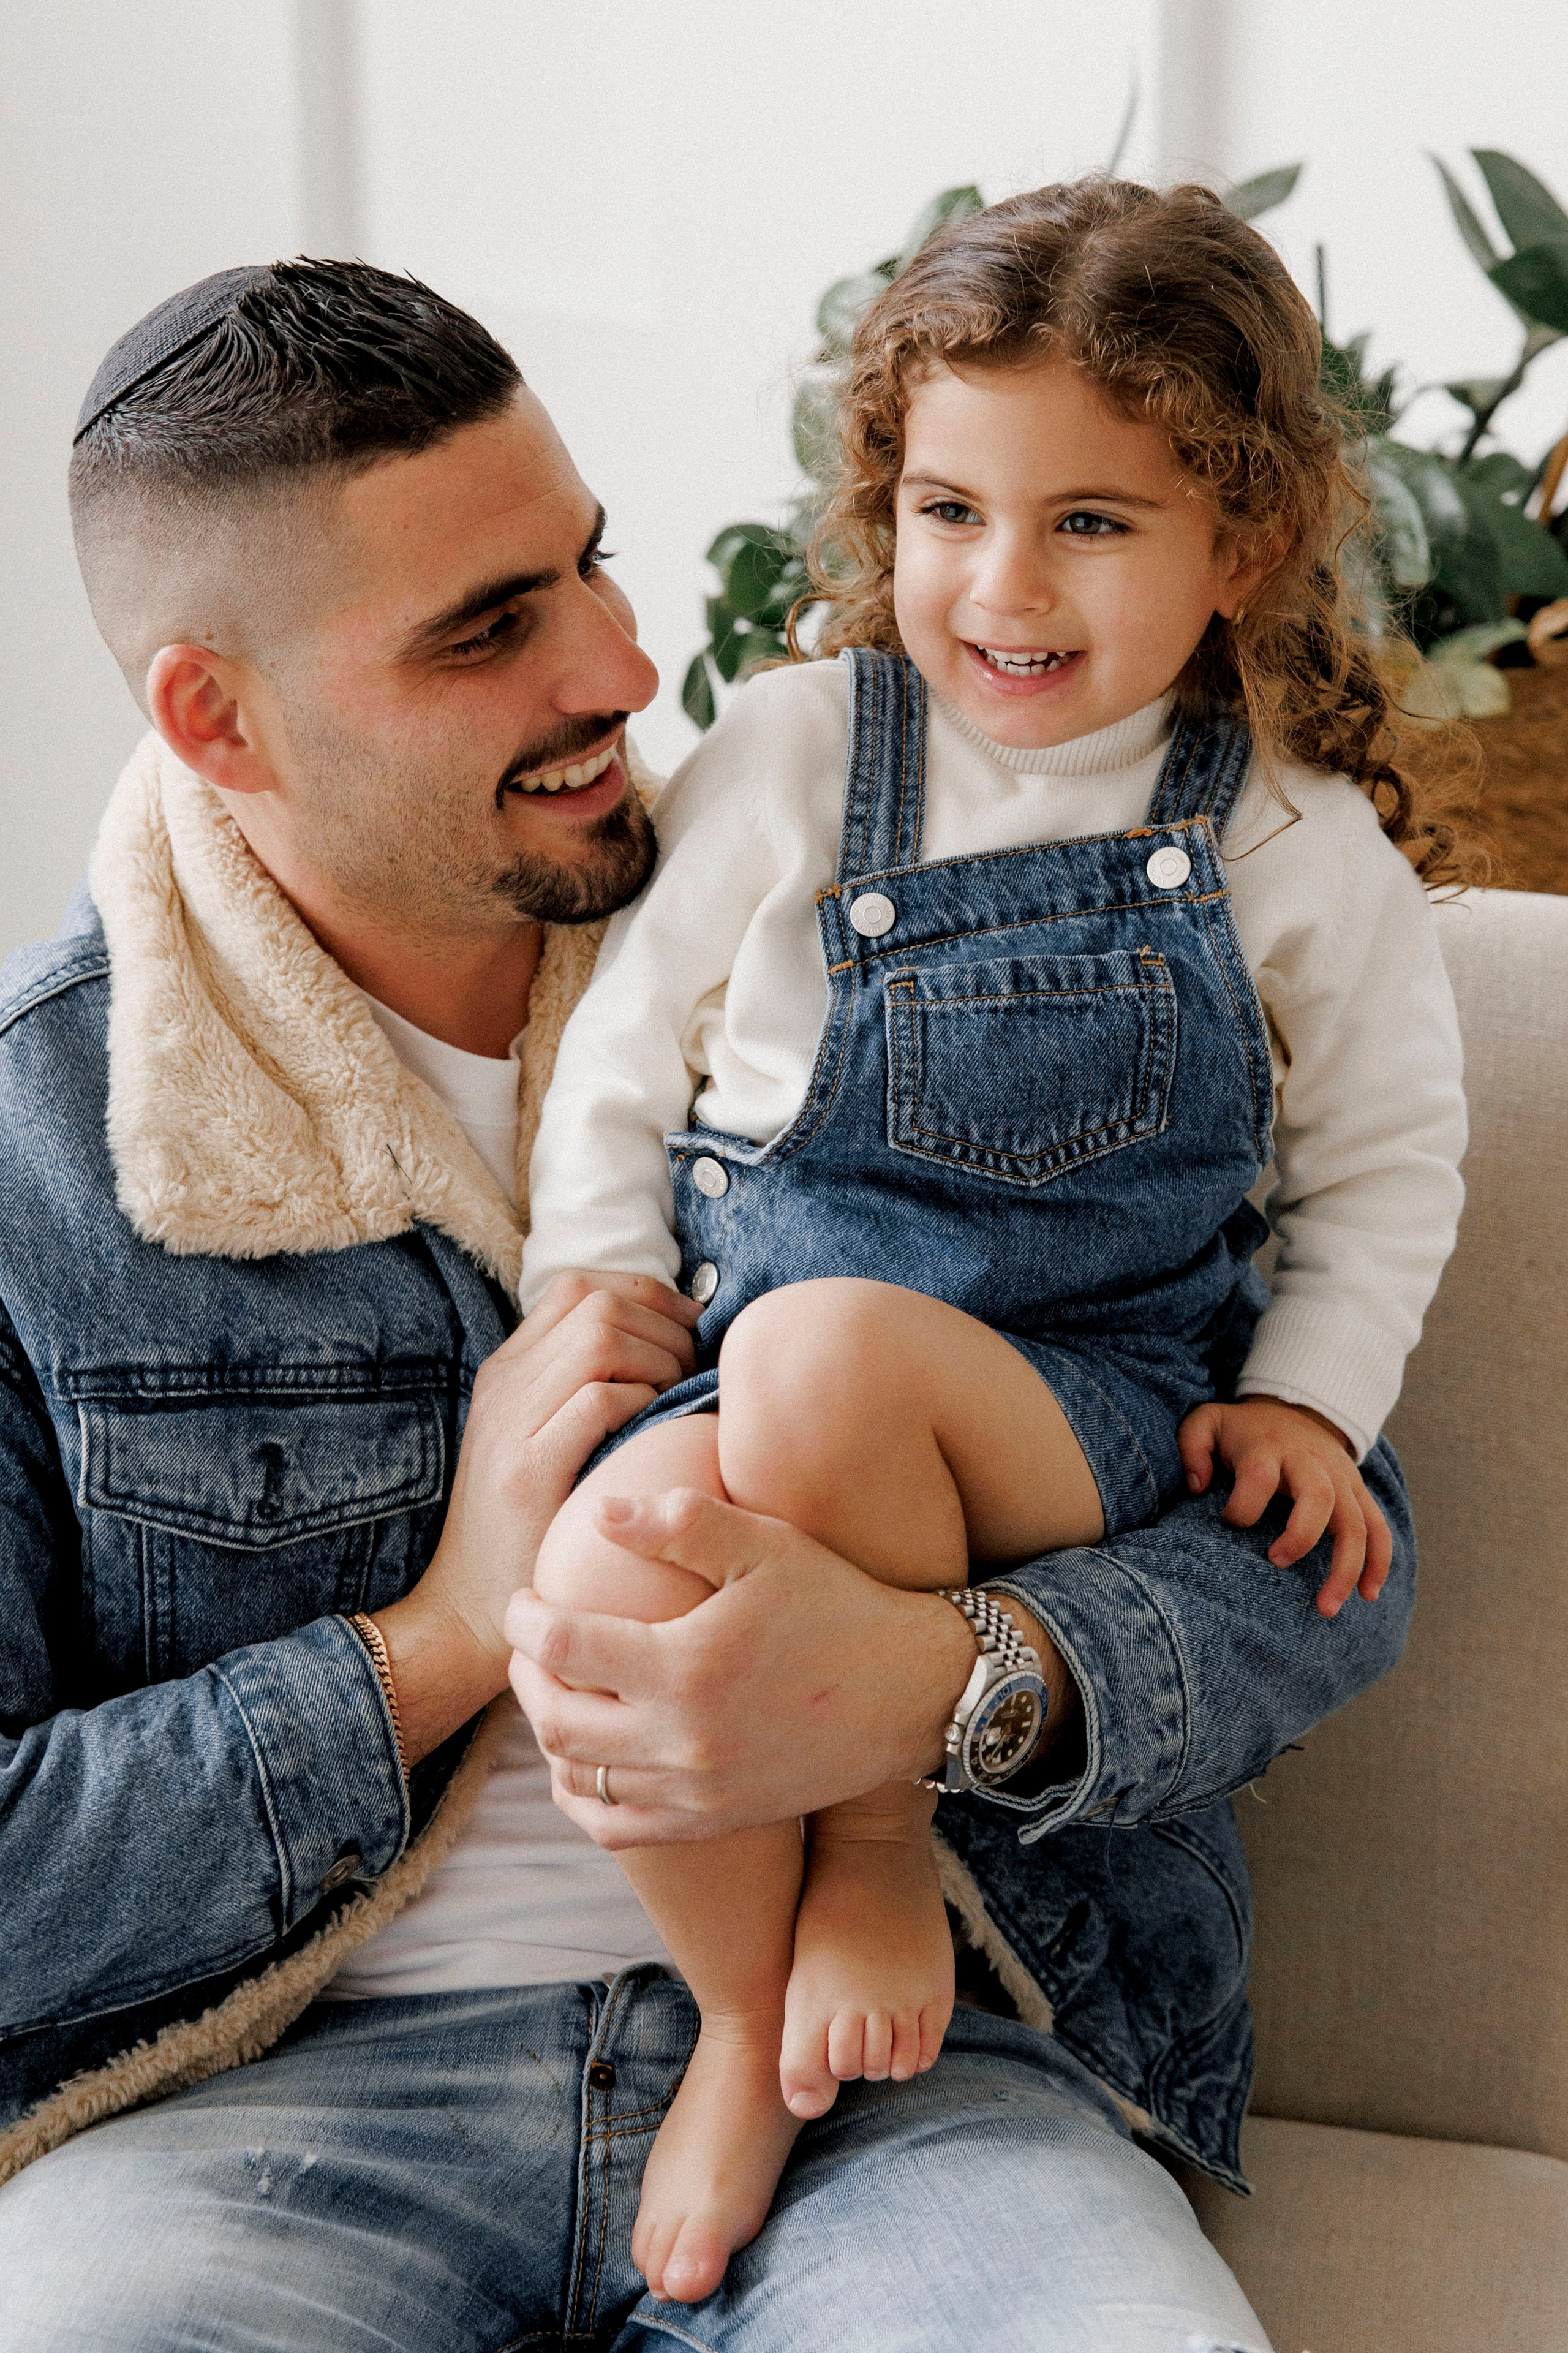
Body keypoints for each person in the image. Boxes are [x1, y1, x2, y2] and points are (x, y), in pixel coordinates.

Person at [0, 249, 1411, 2353]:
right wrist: (441, 1640)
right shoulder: (44, 1145)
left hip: (921, 2068)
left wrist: (949, 1679)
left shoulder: (873, 898)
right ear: (217, 714)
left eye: (589, 564)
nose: (621, 661)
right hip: (258, 2108)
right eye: (491, 629)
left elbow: (1329, 1552)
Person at [518, 178, 1469, 2305]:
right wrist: (592, 1276)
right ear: (888, 512)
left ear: (1238, 546)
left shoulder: (1285, 829)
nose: (1000, 583)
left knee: (836, 1358)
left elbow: (1390, 1160)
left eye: (1092, 524)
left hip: (1079, 1405)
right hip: (757, 1362)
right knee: (593, 1579)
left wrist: (1310, 1395)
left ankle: (872, 1849)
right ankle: (751, 2009)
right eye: (948, 510)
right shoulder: (797, 751)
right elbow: (618, 1062)